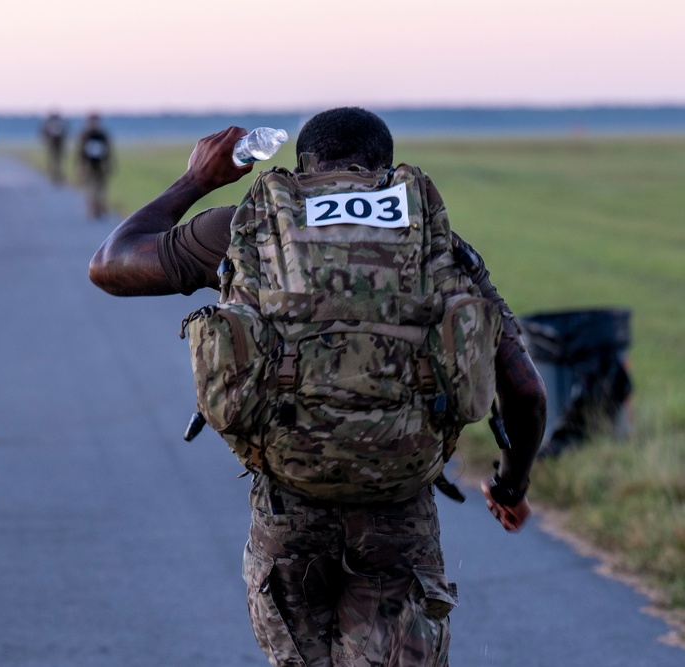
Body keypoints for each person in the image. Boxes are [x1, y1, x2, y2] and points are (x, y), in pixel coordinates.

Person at [89, 108, 547, 667]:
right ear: (383, 169)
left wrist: (198, 180)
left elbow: (110, 265)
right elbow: (525, 391)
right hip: (398, 511)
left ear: (304, 167)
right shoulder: (432, 242)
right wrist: (510, 486)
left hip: (289, 505)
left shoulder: (246, 230)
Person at [77, 113, 113, 219]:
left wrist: (108, 165)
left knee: (101, 188)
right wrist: (81, 166)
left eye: (96, 121)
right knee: (91, 188)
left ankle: (100, 208)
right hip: (89, 166)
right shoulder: (85, 135)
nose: (94, 124)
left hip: (101, 165)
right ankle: (92, 209)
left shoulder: (102, 135)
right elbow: (81, 153)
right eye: (92, 121)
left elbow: (108, 151)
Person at [41, 110, 68, 185]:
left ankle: (56, 176)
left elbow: (45, 133)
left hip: (57, 145)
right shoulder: (58, 123)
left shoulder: (50, 123)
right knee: (55, 161)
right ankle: (54, 176)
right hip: (54, 145)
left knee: (56, 161)